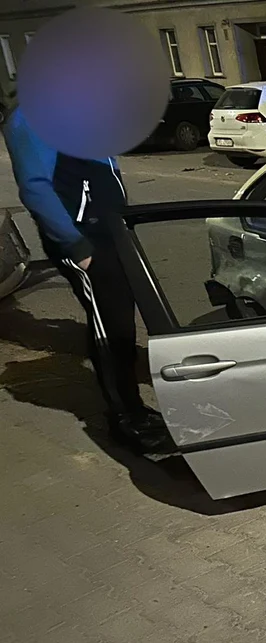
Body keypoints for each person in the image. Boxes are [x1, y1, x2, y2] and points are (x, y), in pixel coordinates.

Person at [2, 100, 169, 452]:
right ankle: (126, 419)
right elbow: (35, 187)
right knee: (110, 329)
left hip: (112, 234)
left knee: (123, 324)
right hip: (85, 241)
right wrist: (77, 246)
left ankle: (134, 408)